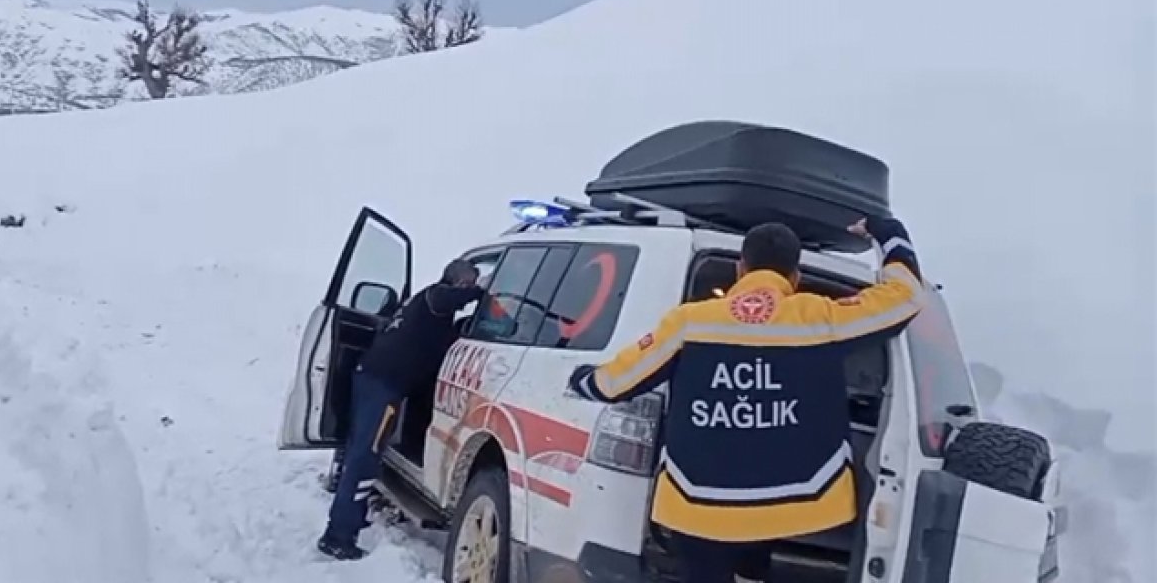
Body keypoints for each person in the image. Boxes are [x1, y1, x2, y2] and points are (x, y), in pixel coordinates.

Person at [568, 216, 924, 583]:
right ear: (795, 277)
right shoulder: (820, 318)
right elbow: (906, 297)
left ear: (741, 269)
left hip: (696, 504)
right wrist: (888, 233)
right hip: (785, 503)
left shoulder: (691, 322)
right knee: (756, 555)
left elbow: (618, 381)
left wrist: (583, 381)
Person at [317, 258, 485, 560]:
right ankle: (338, 535)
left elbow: (438, 343)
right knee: (365, 458)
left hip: (371, 378)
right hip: (383, 386)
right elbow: (448, 298)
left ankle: (348, 516)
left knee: (359, 451)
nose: (470, 289)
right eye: (470, 283)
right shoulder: (436, 297)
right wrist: (484, 293)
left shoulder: (425, 307)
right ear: (460, 283)